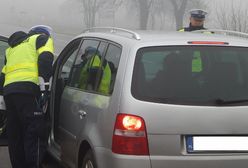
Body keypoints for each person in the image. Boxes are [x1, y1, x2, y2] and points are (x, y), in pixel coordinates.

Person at [0, 25, 54, 168]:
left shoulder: (12, 49)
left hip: (9, 93)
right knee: (34, 130)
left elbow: (3, 74)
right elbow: (45, 60)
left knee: (15, 133)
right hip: (29, 91)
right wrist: (45, 89)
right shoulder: (42, 39)